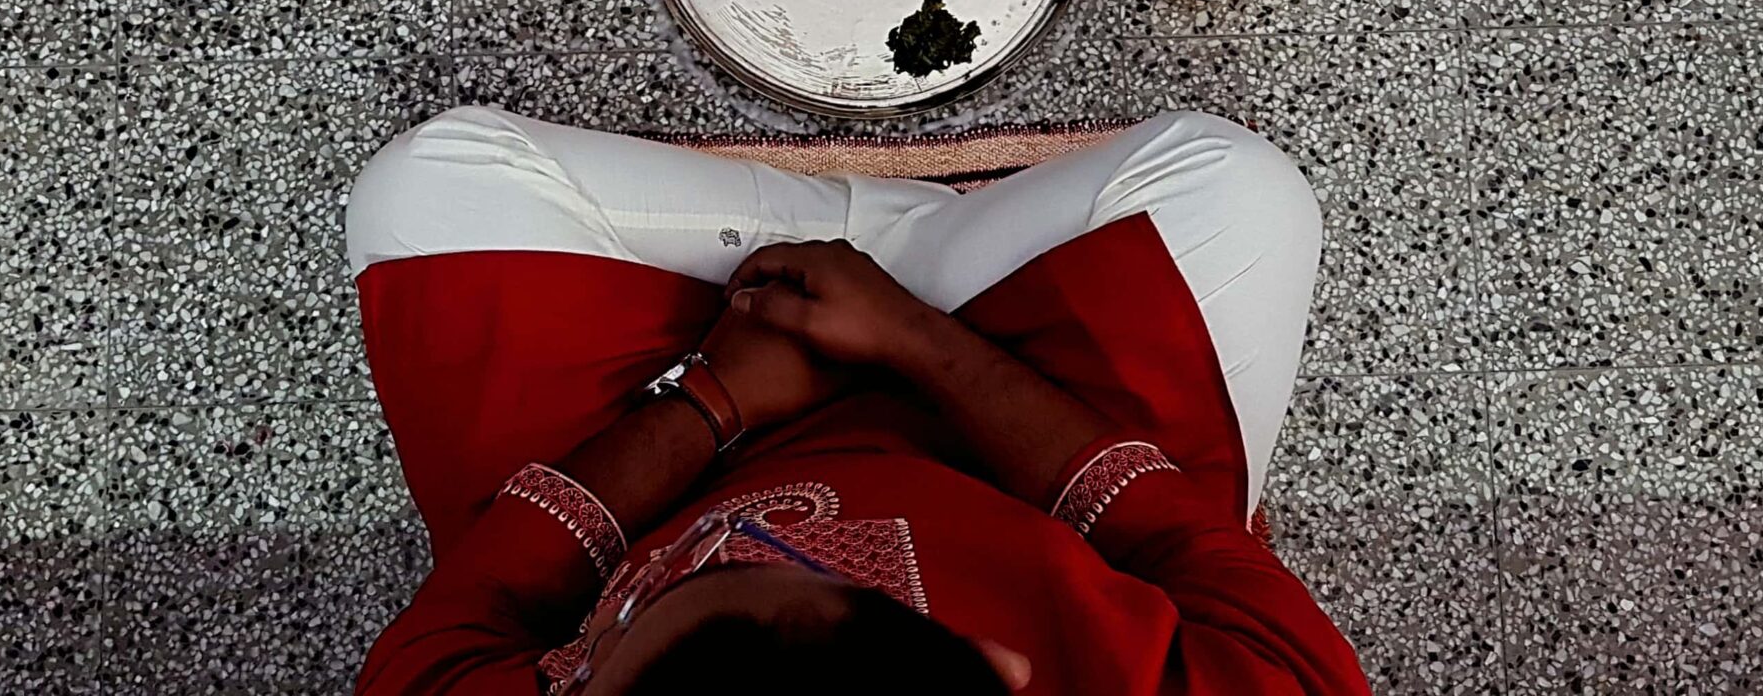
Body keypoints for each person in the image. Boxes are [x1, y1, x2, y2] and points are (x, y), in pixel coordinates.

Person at [344, 106, 1367, 696]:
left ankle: (858, 259)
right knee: (1238, 188)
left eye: (605, 647)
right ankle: (905, 260)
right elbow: (1177, 541)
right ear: (1000, 666)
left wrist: (714, 401)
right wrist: (918, 341)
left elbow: (474, 613)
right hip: (1018, 437)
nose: (602, 637)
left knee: (427, 188)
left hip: (676, 438)